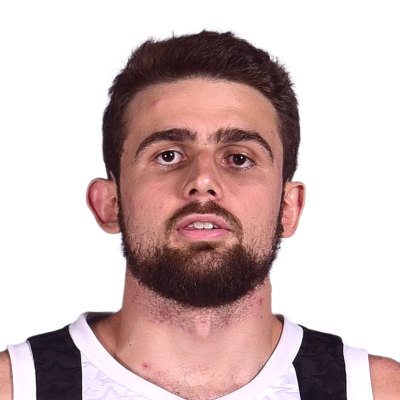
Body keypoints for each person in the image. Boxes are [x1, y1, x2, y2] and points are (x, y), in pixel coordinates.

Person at [1, 27, 399, 400]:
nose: (203, 181)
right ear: (109, 204)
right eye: (168, 155)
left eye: (239, 158)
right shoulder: (13, 387)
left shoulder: (379, 391)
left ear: (289, 207)